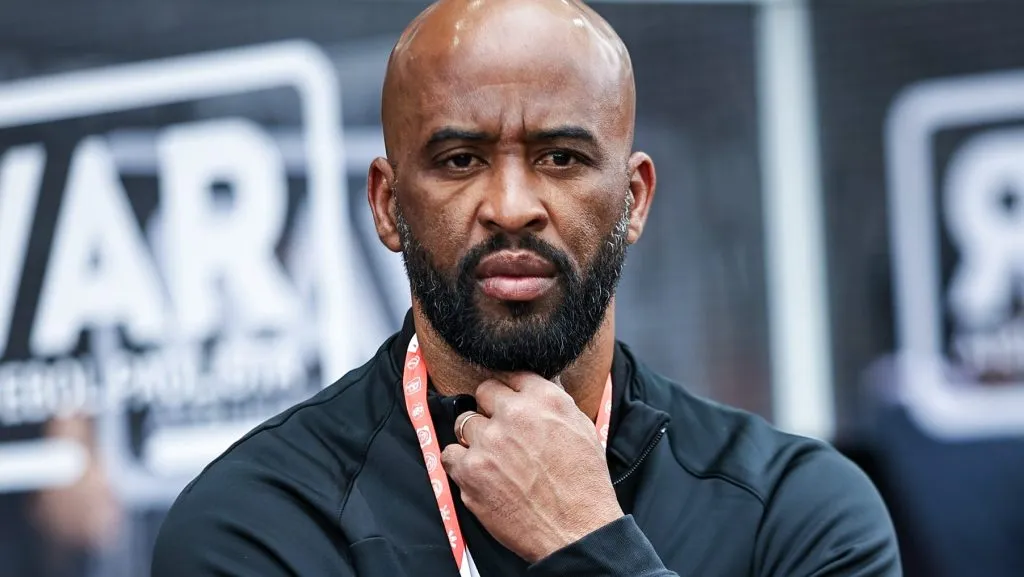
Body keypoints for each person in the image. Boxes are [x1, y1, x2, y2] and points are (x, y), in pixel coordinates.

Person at [151, 0, 901, 575]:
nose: (511, 206)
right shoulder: (258, 521)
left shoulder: (796, 510)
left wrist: (587, 543)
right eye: (459, 160)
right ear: (386, 205)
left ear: (634, 199)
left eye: (562, 158)